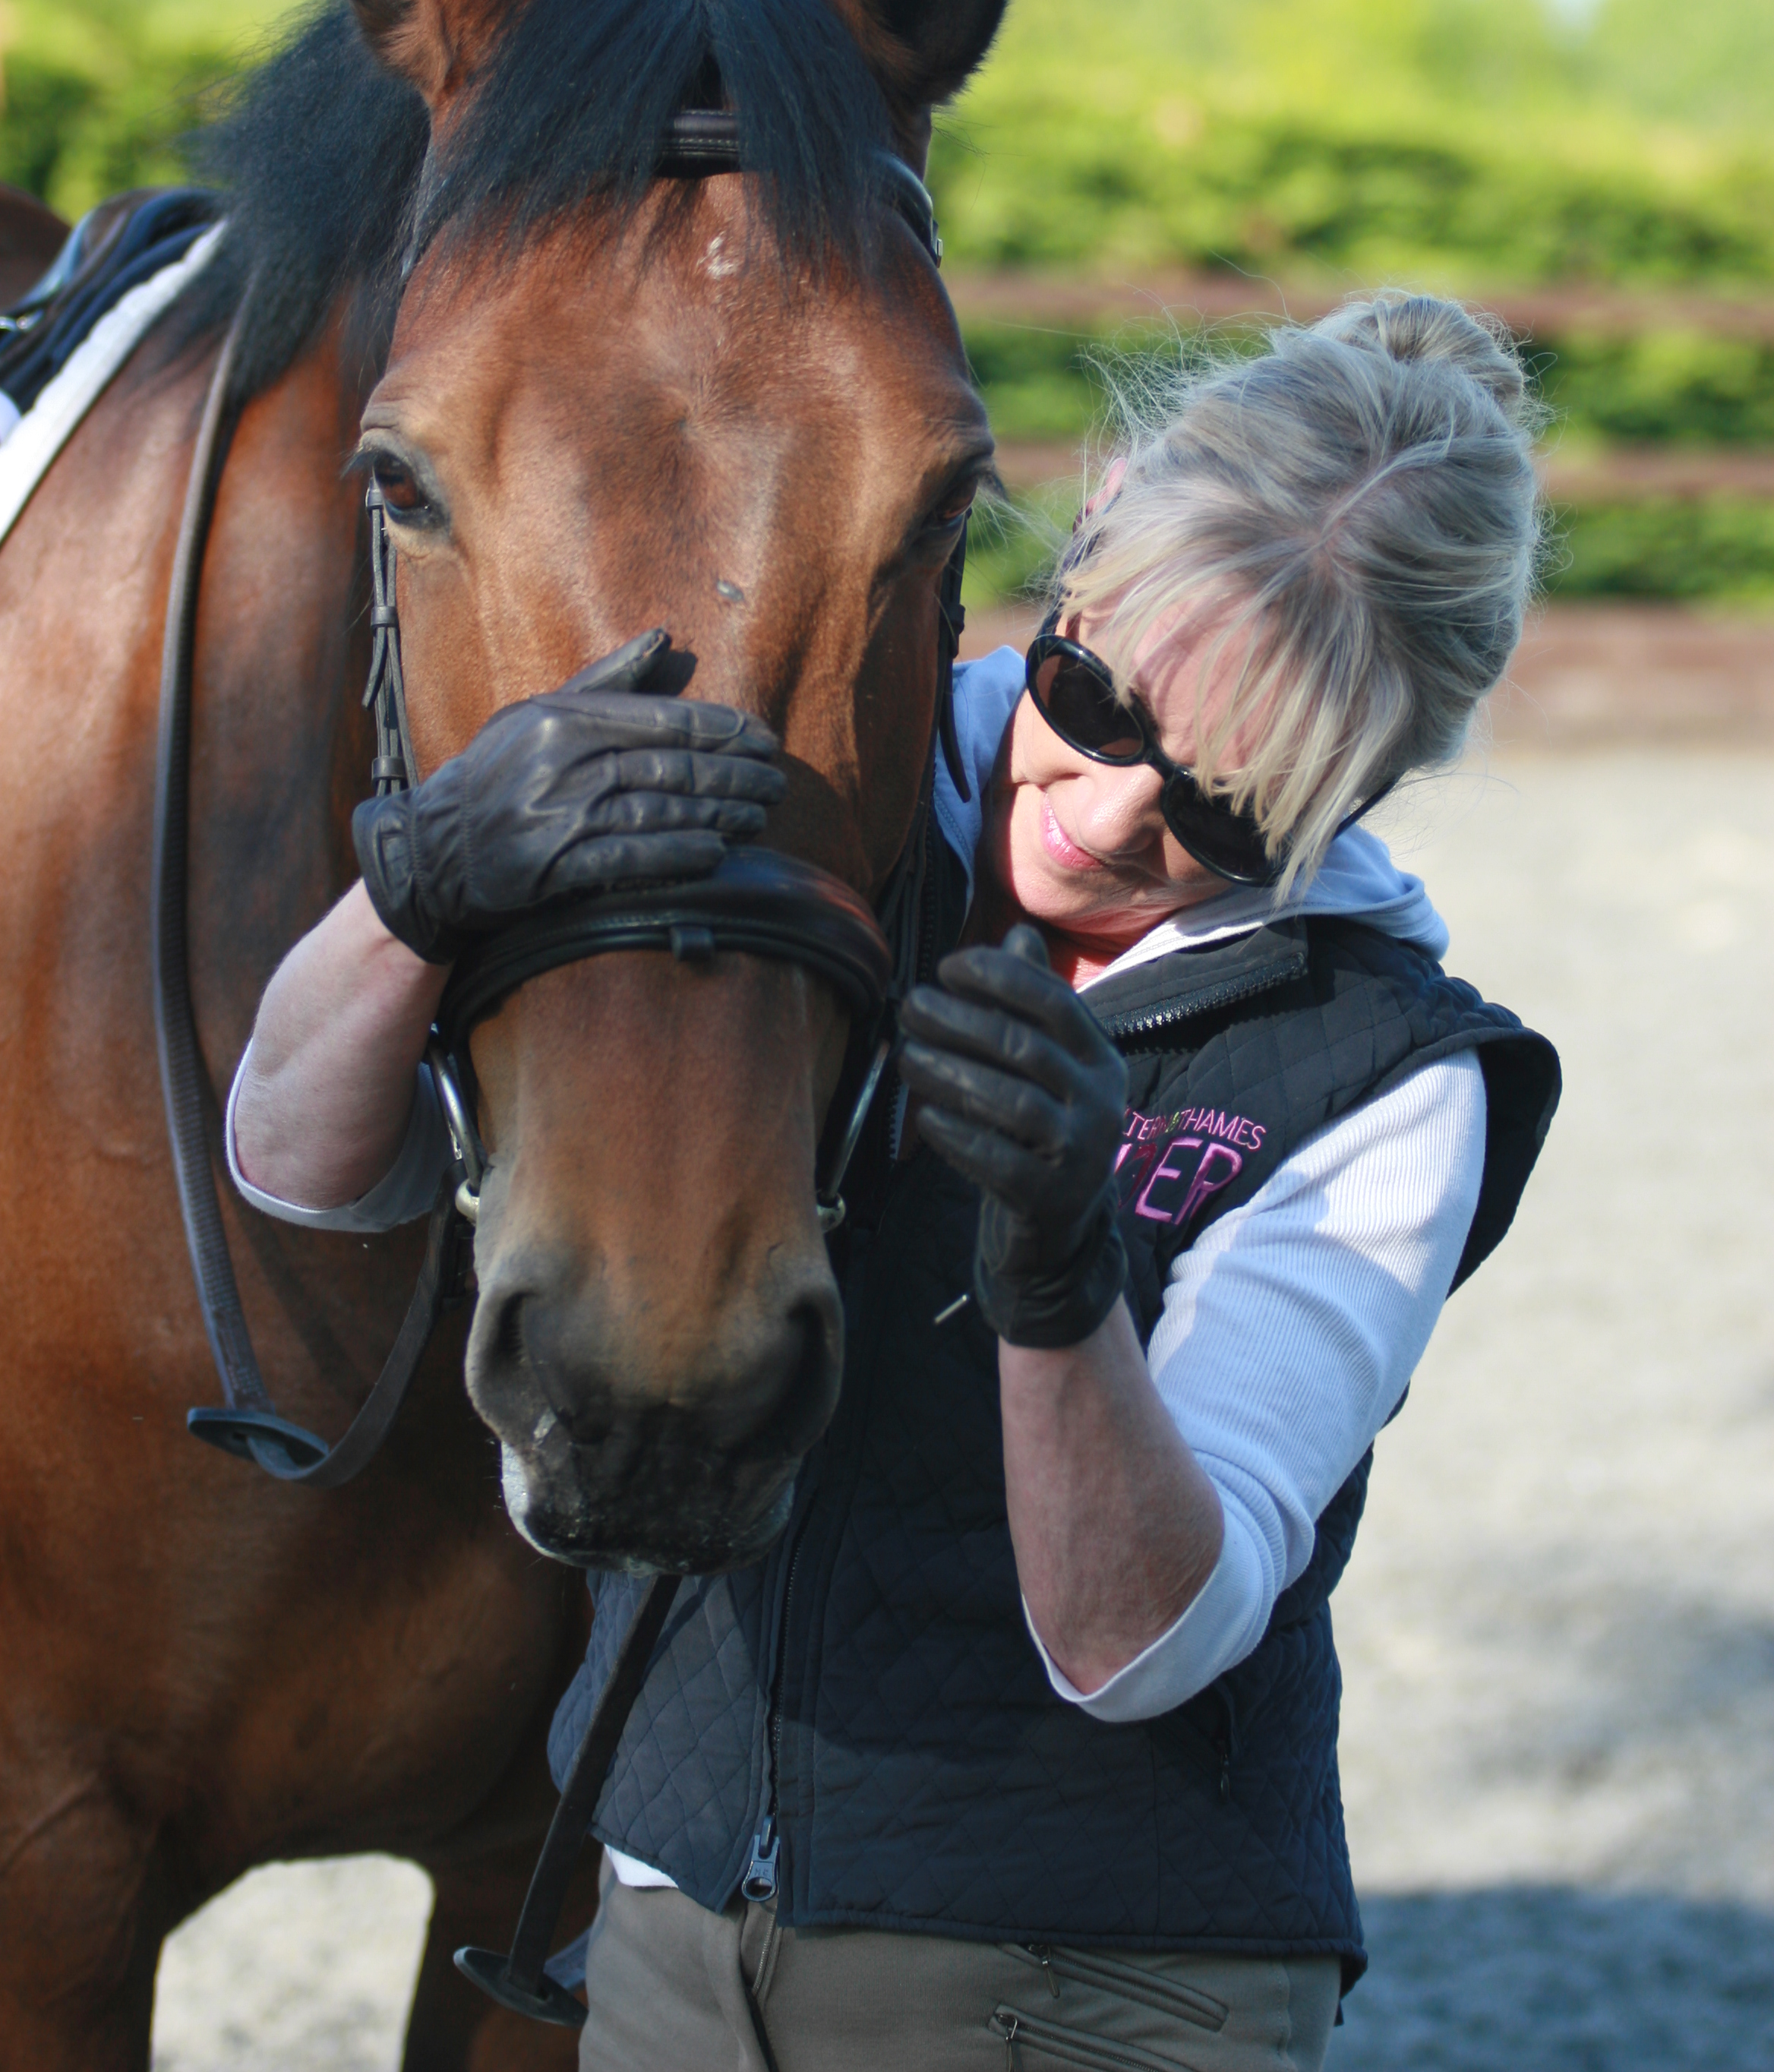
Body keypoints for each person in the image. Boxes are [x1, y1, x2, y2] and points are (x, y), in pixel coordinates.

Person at [235, 291, 1560, 2072]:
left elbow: (1138, 1648)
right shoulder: (812, 797)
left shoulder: (1384, 1075)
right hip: (666, 1941)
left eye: (1226, 813)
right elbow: (307, 1167)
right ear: (1073, 572)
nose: (1099, 819)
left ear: (1385, 781)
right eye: (1091, 700)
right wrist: (424, 877)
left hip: (1089, 1987)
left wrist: (1056, 1276)